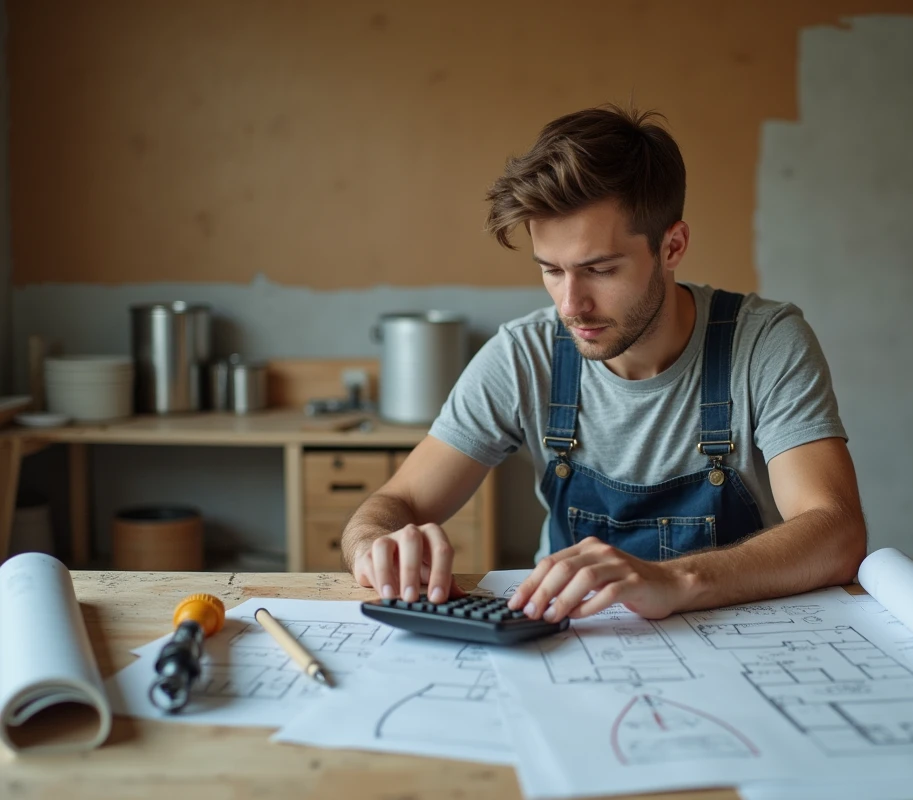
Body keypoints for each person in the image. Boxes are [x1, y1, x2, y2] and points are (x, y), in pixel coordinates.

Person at [342, 105, 867, 623]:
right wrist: (376, 544)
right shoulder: (524, 356)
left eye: (600, 270)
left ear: (672, 246)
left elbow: (835, 531)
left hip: (739, 644)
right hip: (573, 648)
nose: (570, 305)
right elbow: (398, 501)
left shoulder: (767, 344)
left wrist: (676, 580)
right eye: (551, 270)